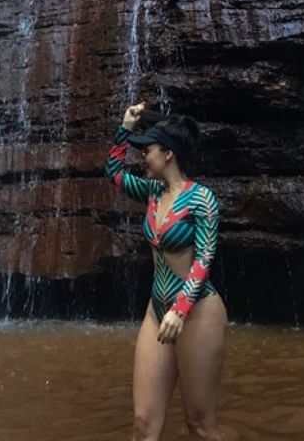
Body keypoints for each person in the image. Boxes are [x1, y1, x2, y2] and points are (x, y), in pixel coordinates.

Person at [105, 101, 228, 441]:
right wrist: (125, 127)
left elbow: (204, 258)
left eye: (148, 150)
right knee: (143, 424)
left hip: (197, 311)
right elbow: (113, 172)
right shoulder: (152, 193)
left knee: (200, 426)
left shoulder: (202, 200)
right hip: (156, 311)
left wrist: (181, 308)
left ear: (168, 154)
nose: (143, 157)